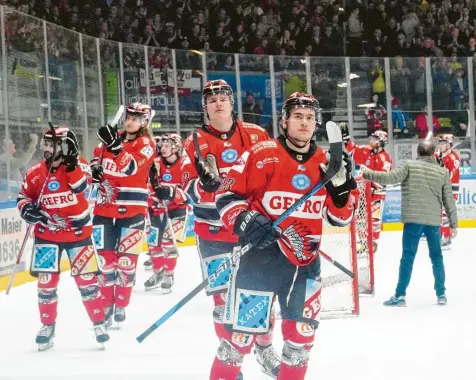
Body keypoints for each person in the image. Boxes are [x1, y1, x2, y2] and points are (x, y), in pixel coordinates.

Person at [210, 92, 358, 380]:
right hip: (258, 261)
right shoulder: (260, 153)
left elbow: (340, 218)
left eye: (309, 118)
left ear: (316, 124)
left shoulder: (327, 163)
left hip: (304, 266)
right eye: (298, 116)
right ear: (285, 121)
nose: (304, 123)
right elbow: (226, 196)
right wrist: (245, 220)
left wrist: (340, 195)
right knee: (238, 340)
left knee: (301, 341)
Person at [182, 80, 278, 378]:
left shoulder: (256, 134)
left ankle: (264, 349)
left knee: (261, 297)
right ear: (205, 107)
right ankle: (231, 361)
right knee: (224, 304)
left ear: (232, 102)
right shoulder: (194, 141)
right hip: (213, 235)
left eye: (223, 97)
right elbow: (188, 187)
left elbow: (274, 175)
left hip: (251, 231)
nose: (218, 102)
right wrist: (204, 185)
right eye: (212, 99)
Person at [17, 126, 109, 351]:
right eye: (46, 144)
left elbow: (80, 187)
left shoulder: (81, 166)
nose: (47, 148)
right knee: (46, 285)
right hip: (47, 235)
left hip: (79, 235)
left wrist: (71, 164)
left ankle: (98, 324)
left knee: (87, 282)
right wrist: (27, 209)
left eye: (53, 144)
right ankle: (47, 326)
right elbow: (23, 196)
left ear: (67, 145)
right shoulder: (36, 172)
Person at [362, 140, 457, 307]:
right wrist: (453, 224)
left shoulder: (409, 166)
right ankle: (441, 294)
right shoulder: (442, 172)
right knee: (436, 257)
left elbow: (389, 177)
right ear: (433, 153)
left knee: (407, 258)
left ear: (418, 153)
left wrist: (367, 173)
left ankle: (400, 296)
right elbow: (448, 200)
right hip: (433, 221)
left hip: (413, 220)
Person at [90, 102, 155, 326]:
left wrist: (116, 146)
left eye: (137, 118)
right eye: (129, 116)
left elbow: (131, 169)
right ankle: (106, 305)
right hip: (103, 209)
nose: (130, 121)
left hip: (133, 210)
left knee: (126, 263)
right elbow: (95, 166)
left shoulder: (147, 144)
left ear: (145, 122)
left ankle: (121, 305)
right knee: (104, 262)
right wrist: (94, 172)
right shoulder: (107, 141)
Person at [144, 133, 191, 293]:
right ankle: (158, 273)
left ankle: (169, 275)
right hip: (157, 209)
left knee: (167, 243)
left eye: (166, 145)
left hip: (177, 210)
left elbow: (189, 190)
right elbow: (147, 185)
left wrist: (172, 193)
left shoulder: (185, 164)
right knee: (153, 244)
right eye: (161, 145)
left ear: (176, 147)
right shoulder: (155, 163)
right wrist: (155, 196)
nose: (162, 148)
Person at [341, 126, 392, 254]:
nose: (371, 140)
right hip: (364, 193)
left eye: (374, 139)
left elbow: (384, 178)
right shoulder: (367, 151)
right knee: (360, 219)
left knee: (374, 221)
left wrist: (375, 187)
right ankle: (364, 243)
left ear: (381, 142)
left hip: (376, 195)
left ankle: (373, 244)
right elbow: (353, 149)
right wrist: (346, 139)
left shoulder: (384, 158)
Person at [435, 134, 460, 250]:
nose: (441, 145)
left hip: (449, 190)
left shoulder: (454, 158)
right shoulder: (438, 156)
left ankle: (446, 238)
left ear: (450, 145)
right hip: (439, 189)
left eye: (444, 143)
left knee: (444, 214)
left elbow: (448, 175)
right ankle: (440, 235)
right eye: (440, 143)